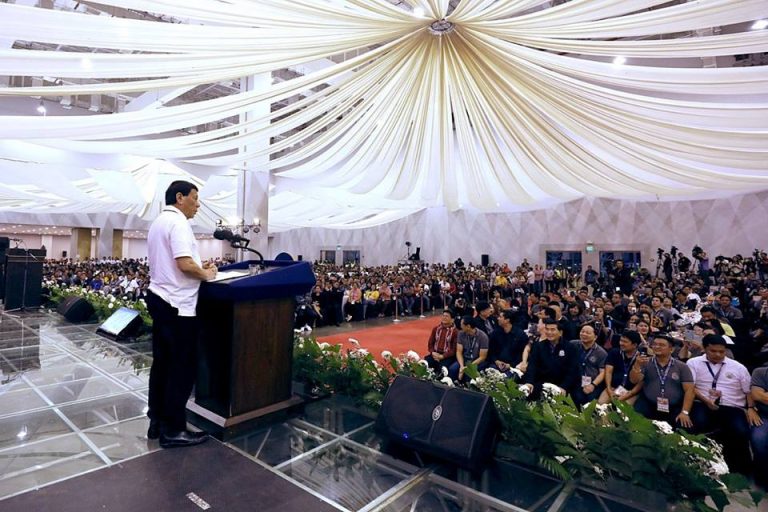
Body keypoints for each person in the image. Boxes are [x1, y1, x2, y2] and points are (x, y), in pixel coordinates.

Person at [146, 180, 217, 449]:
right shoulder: (179, 223)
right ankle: (174, 429)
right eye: (195, 198)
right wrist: (207, 274)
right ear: (180, 197)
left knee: (162, 365)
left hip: (162, 299)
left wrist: (199, 267)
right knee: (181, 368)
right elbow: (184, 264)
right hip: (177, 306)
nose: (198, 205)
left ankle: (157, 421)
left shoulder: (159, 222)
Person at [687, 335, 758, 476]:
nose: (718, 354)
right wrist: (707, 401)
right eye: (713, 351)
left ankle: (740, 471)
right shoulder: (693, 363)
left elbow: (748, 391)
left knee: (740, 430)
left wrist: (750, 408)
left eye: (722, 351)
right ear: (705, 348)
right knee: (696, 423)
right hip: (702, 403)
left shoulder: (738, 367)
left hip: (731, 406)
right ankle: (697, 464)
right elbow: (690, 387)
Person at [630, 335, 695, 430]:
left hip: (674, 406)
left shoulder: (682, 367)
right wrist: (637, 365)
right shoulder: (646, 362)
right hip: (648, 403)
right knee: (635, 423)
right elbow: (634, 380)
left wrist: (684, 412)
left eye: (661, 345)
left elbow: (689, 390)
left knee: (683, 426)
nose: (657, 347)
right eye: (655, 344)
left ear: (671, 349)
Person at [523, 319, 579, 400]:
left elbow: (573, 370)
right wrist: (529, 382)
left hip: (561, 384)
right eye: (547, 329)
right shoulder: (539, 346)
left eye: (553, 329)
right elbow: (532, 366)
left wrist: (564, 387)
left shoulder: (570, 347)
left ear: (560, 332)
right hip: (542, 383)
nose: (549, 332)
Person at [599, 330, 643, 405]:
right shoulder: (614, 353)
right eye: (621, 341)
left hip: (632, 392)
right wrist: (609, 389)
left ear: (635, 345)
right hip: (613, 387)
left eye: (625, 342)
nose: (621, 343)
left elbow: (642, 381)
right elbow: (608, 372)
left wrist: (630, 394)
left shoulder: (642, 358)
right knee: (600, 404)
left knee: (623, 409)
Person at [570, 324, 607, 406]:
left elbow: (603, 372)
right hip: (574, 380)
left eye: (588, 333)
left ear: (595, 337)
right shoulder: (573, 344)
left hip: (592, 383)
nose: (584, 334)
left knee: (588, 401)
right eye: (582, 331)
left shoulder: (601, 353)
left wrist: (593, 385)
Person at [449, 316, 489, 382]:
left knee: (469, 373)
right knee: (452, 369)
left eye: (462, 324)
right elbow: (459, 352)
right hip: (464, 359)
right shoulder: (461, 334)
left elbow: (482, 357)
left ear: (468, 326)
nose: (460, 326)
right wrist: (462, 366)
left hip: (476, 361)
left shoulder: (483, 337)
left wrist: (468, 367)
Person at [750, 366, 768, 490]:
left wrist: (764, 394)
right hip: (764, 415)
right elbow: (756, 395)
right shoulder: (760, 372)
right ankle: (762, 479)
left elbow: (763, 395)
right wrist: (762, 395)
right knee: (759, 440)